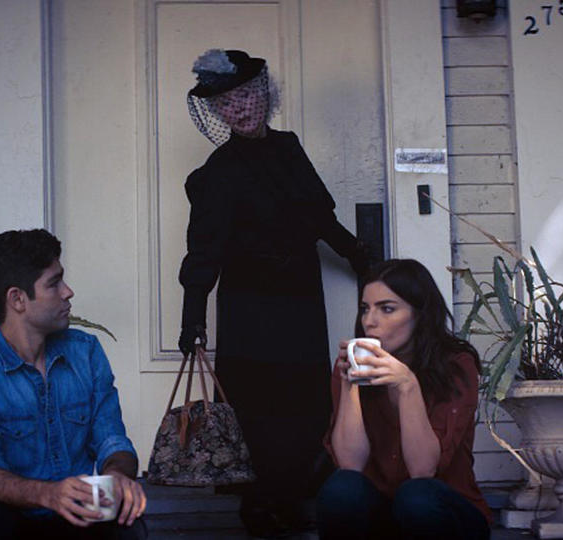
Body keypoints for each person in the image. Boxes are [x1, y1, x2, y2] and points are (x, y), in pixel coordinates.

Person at [178, 49, 371, 537]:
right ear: (216, 113)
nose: (237, 108)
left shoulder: (288, 148)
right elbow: (203, 251)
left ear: (264, 93)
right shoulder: (217, 172)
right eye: (225, 103)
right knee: (256, 410)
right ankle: (260, 511)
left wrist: (359, 256)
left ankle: (293, 499)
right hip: (249, 306)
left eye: (244, 95)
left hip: (301, 300)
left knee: (305, 403)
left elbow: (318, 217)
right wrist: (192, 317)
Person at [0, 229, 147, 540]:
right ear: (17, 299)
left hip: (78, 518)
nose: (68, 292)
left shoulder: (86, 352)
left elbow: (113, 441)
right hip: (12, 521)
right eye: (54, 283)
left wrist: (117, 476)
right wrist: (49, 494)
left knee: (126, 522)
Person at [318, 259, 492, 539]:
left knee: (416, 496)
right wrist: (351, 384)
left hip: (445, 513)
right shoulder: (348, 367)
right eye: (365, 309)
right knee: (341, 488)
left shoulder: (456, 365)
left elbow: (423, 469)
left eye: (387, 309)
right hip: (383, 516)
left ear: (420, 315)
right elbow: (350, 465)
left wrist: (408, 386)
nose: (369, 321)